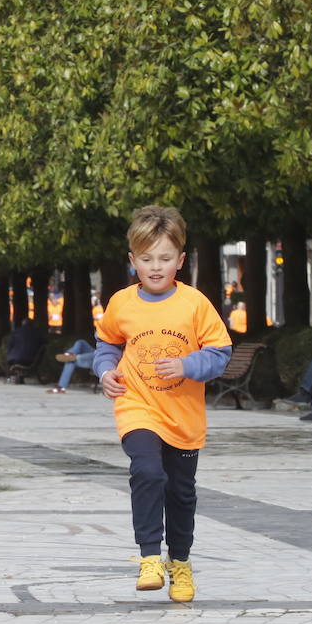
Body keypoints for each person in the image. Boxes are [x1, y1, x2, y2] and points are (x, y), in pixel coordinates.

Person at [92, 206, 232, 603]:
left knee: (181, 494)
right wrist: (105, 372)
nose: (156, 267)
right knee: (148, 472)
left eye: (165, 259)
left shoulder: (195, 304)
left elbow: (221, 352)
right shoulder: (121, 303)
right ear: (132, 260)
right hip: (137, 405)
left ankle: (181, 564)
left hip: (184, 416)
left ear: (181, 261)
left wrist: (187, 364)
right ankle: (150, 557)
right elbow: (107, 343)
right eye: (147, 259)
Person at [4, 317, 44, 384]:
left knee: (11, 358)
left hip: (13, 358)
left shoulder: (16, 331)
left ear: (23, 324)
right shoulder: (37, 333)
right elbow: (44, 342)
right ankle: (19, 376)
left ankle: (12, 377)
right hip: (31, 359)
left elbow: (9, 345)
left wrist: (8, 355)